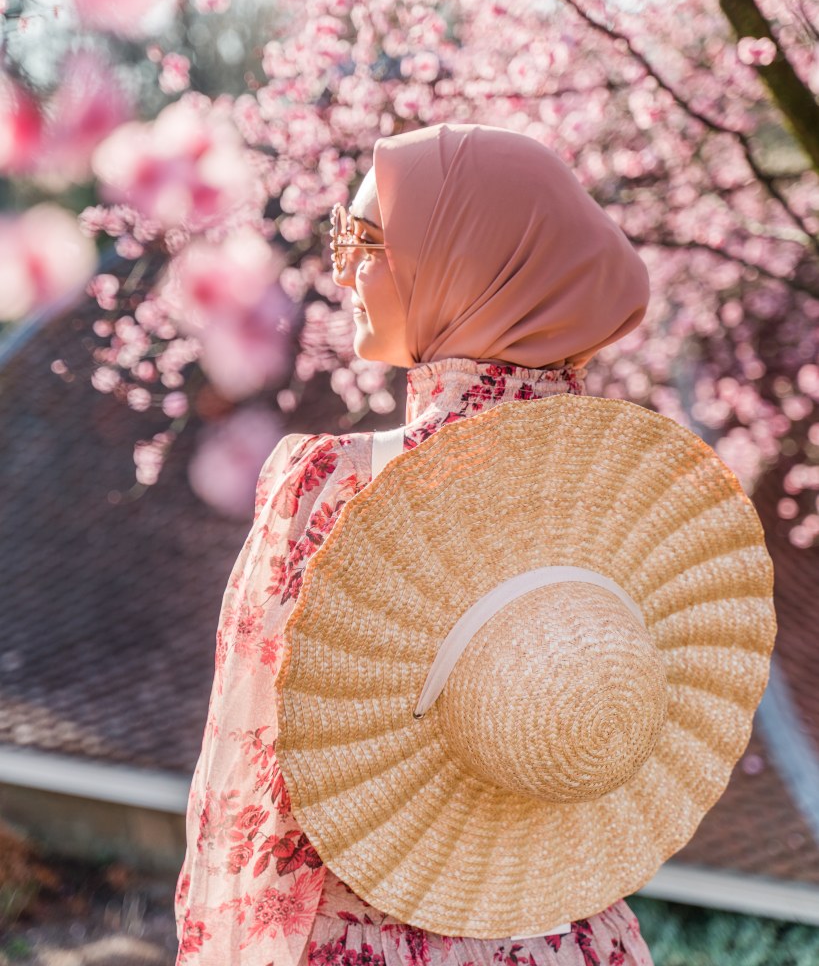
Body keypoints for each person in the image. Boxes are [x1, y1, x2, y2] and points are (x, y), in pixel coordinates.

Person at [173, 122, 654, 965]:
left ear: (467, 259)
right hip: (568, 937)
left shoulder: (335, 484)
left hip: (366, 934)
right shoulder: (634, 497)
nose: (346, 272)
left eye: (365, 241)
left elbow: (258, 784)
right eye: (339, 240)